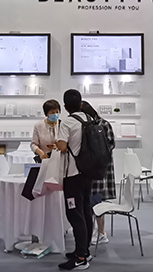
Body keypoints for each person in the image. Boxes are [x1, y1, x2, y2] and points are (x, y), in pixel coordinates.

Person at [57, 89, 93, 271]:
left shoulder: (67, 122)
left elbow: (63, 147)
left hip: (73, 174)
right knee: (86, 210)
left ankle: (80, 258)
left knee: (74, 214)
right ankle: (84, 250)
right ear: (81, 104)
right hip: (88, 172)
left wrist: (58, 142)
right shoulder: (90, 119)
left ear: (64, 107)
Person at [82, 100, 115, 246]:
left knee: (96, 200)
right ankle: (93, 231)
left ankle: (101, 232)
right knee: (91, 200)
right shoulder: (88, 125)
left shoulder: (103, 124)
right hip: (92, 168)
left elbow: (111, 144)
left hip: (99, 168)